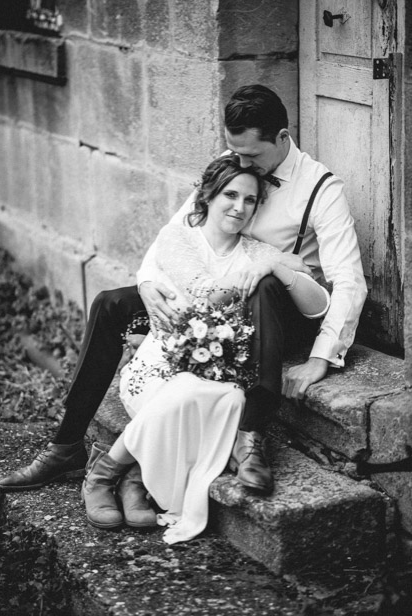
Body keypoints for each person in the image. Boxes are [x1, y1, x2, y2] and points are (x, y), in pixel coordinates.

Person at [0, 84, 366, 495]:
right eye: (234, 152)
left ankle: (252, 436)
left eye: (250, 156)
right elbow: (177, 231)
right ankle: (66, 446)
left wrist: (322, 357)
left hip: (281, 307)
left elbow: (348, 279)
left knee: (263, 284)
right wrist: (150, 282)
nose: (239, 162)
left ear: (282, 139)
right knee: (111, 304)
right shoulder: (233, 163)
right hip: (213, 296)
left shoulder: (322, 188)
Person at [83, 155, 329, 542]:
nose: (239, 207)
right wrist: (269, 265)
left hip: (214, 369)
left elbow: (318, 306)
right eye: (230, 195)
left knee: (230, 399)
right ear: (208, 196)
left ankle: (130, 475)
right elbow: (205, 295)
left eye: (250, 200)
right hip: (163, 361)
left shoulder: (256, 253)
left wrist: (276, 265)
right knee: (189, 394)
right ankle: (102, 477)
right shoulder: (178, 237)